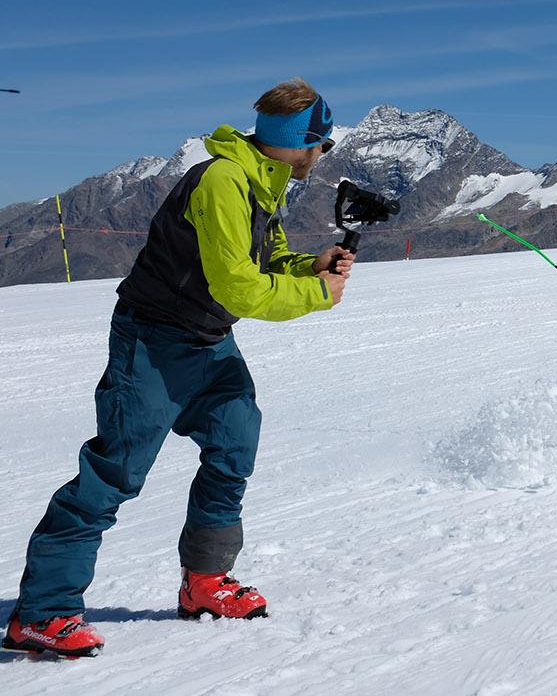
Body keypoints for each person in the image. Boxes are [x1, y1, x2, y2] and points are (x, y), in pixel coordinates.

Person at [3, 78, 353, 658]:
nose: (323, 155)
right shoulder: (223, 181)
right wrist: (317, 295)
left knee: (235, 443)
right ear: (303, 141)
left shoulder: (262, 181)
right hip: (155, 341)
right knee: (114, 472)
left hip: (208, 338)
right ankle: (42, 612)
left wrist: (307, 265)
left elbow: (260, 259)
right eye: (324, 144)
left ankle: (205, 584)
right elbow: (239, 287)